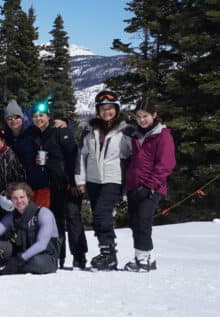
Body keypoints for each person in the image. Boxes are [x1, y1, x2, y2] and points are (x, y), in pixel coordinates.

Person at [74, 89, 129, 271]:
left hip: (113, 178)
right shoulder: (89, 132)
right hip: (93, 180)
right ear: (98, 111)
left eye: (110, 108)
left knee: (101, 214)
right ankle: (106, 251)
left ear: (116, 109)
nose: (107, 112)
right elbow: (81, 157)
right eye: (103, 108)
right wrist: (80, 181)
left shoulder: (125, 131)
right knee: (98, 216)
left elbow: (130, 157)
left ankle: (108, 253)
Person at [26, 103, 83, 269]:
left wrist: (74, 181)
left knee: (72, 218)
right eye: (35, 116)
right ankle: (59, 255)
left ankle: (79, 256)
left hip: (66, 183)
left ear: (48, 117)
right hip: (50, 185)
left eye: (41, 115)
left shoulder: (60, 132)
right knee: (56, 221)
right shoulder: (36, 135)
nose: (38, 118)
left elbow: (72, 157)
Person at [122, 98, 176, 272]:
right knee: (135, 222)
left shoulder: (162, 135)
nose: (142, 120)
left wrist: (149, 186)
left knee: (143, 221)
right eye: (138, 117)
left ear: (154, 115)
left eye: (145, 116)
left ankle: (143, 259)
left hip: (152, 187)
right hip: (134, 186)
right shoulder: (137, 135)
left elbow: (166, 164)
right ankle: (147, 257)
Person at [0, 182, 60, 275]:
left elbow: (42, 244)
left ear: (28, 197)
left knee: (35, 263)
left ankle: (9, 267)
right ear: (11, 200)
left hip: (45, 256)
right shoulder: (11, 216)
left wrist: (20, 259)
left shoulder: (43, 213)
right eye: (15, 198)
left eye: (22, 197)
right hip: (21, 253)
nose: (19, 201)